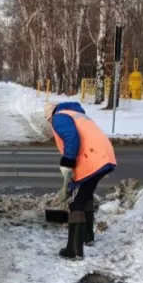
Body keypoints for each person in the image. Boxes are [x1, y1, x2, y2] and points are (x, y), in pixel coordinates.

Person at [46, 101, 117, 260]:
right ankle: (87, 237)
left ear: (49, 116)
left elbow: (71, 138)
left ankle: (74, 250)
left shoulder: (59, 117)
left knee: (75, 201)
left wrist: (67, 162)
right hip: (104, 157)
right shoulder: (77, 114)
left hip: (91, 159)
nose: (51, 125)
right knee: (85, 196)